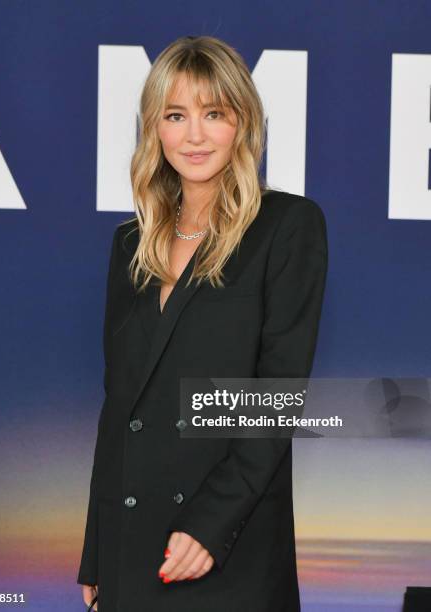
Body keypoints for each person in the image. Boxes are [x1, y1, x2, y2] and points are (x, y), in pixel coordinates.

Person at [77, 35, 328, 612]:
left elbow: (277, 396)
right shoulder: (129, 243)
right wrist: (97, 550)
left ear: (242, 122)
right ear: (154, 128)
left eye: (213, 113)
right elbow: (120, 405)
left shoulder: (287, 226)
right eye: (175, 115)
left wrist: (211, 525)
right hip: (133, 544)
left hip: (225, 542)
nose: (194, 135)